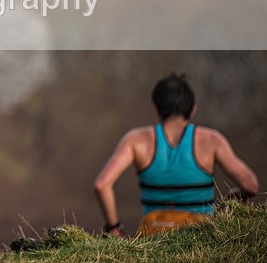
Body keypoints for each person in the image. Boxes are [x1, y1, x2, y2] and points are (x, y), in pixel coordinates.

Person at [94, 72, 259, 237]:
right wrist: (236, 198)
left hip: (153, 236)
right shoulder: (211, 140)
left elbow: (102, 184)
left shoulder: (136, 140)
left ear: (155, 108)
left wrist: (114, 227)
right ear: (193, 108)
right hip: (201, 236)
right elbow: (251, 185)